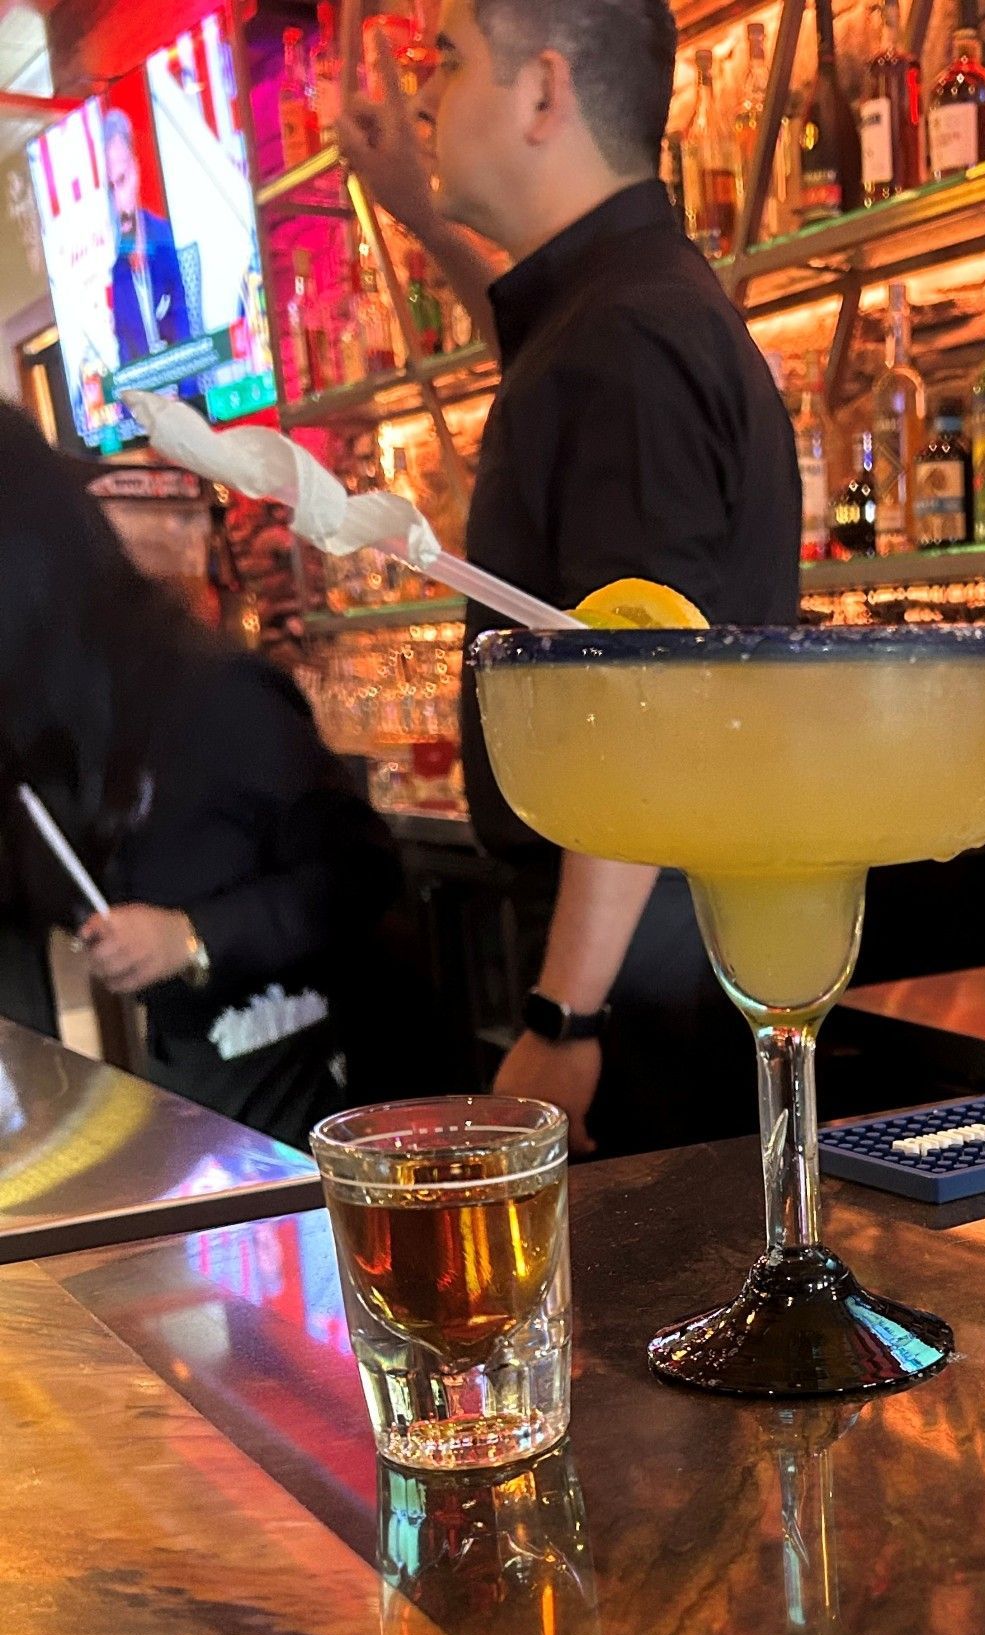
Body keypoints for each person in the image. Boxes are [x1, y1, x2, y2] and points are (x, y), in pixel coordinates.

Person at [340, 0, 800, 1157]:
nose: (430, 97)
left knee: (648, 1311)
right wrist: (418, 215)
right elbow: (539, 337)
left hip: (642, 974)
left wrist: (564, 1014)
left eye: (446, 63)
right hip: (654, 944)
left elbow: (646, 688)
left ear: (544, 93)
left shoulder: (625, 339)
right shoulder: (610, 315)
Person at [0, 403, 401, 1148]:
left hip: (309, 1094)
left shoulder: (212, 693)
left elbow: (363, 871)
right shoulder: (50, 716)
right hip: (195, 1101)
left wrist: (192, 936)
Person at [104, 108, 190, 367]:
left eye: (122, 180)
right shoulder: (109, 272)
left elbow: (190, 331)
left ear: (137, 170)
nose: (119, 202)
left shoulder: (169, 242)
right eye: (110, 188)